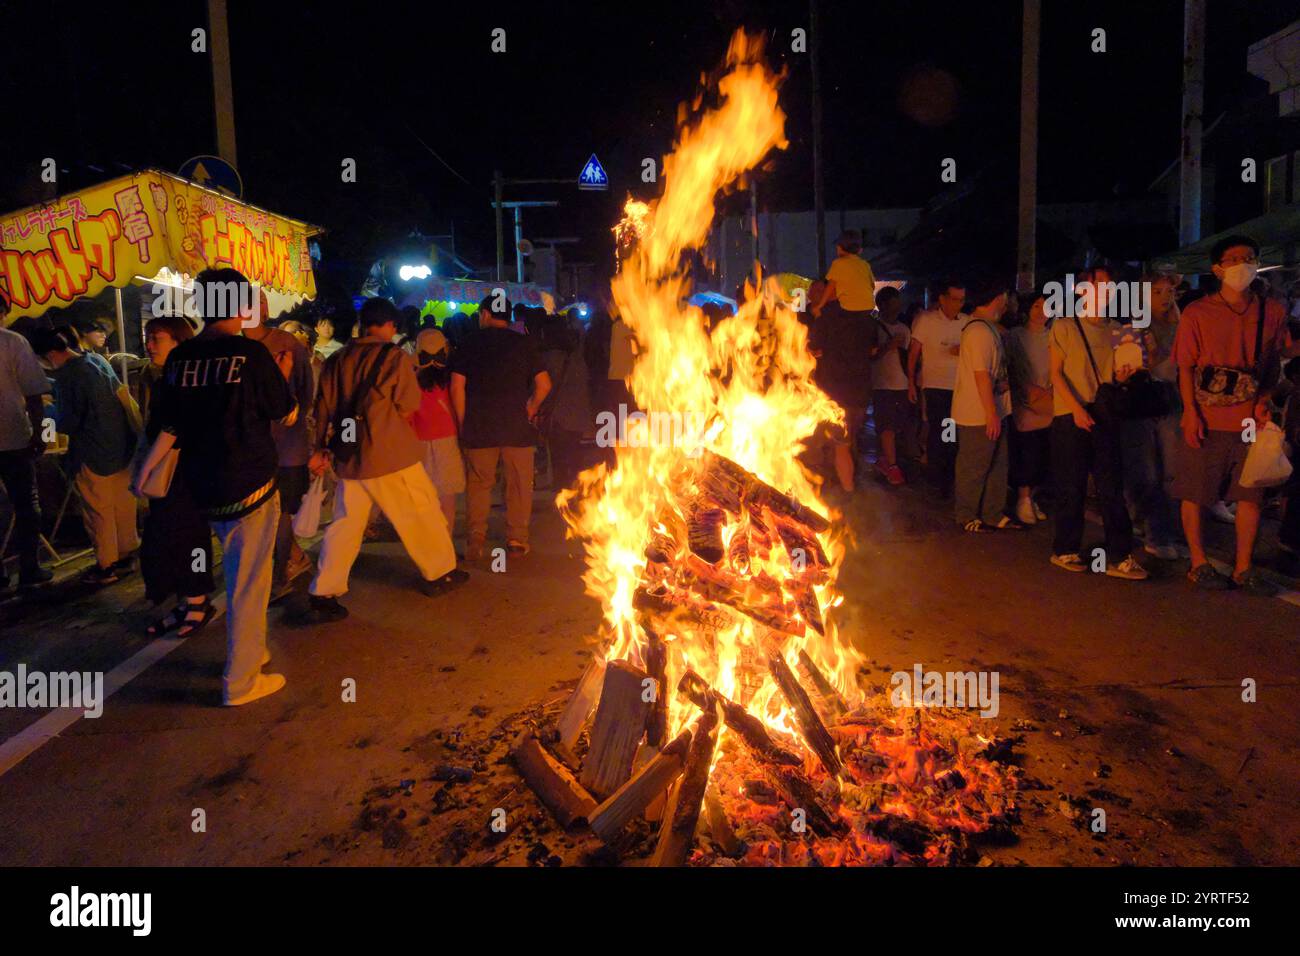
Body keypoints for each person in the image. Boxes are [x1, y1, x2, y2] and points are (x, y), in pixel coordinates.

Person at [143, 268, 295, 705]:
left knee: (236, 574)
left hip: (198, 484)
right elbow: (282, 411)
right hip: (248, 482)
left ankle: (254, 651)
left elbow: (165, 422)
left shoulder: (180, 359)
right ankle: (241, 682)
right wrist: (281, 376)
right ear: (241, 305)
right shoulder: (251, 355)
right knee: (248, 583)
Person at [304, 297, 466, 623]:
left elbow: (323, 408)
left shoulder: (337, 359)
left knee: (346, 525)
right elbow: (408, 403)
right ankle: (439, 573)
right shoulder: (393, 357)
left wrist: (321, 447)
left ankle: (324, 590)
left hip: (350, 456)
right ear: (390, 325)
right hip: (391, 454)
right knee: (421, 513)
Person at [1173, 235, 1295, 594]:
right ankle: (1199, 562)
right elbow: (1185, 368)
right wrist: (1190, 414)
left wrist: (1266, 398)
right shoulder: (1197, 312)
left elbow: (1274, 364)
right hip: (1207, 417)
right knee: (1194, 492)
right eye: (1234, 258)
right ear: (1217, 269)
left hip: (1249, 421)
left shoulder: (1270, 311)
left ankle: (1244, 567)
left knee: (1250, 494)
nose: (1243, 263)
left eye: (1250, 257)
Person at [1047, 264, 1148, 580]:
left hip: (1106, 414)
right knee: (1072, 486)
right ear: (1081, 289)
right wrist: (1076, 408)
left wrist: (1122, 377)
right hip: (1070, 415)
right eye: (1099, 283)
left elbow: (1121, 374)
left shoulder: (1118, 329)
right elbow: (1056, 373)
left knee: (1110, 487)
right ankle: (1066, 549)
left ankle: (1120, 554)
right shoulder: (1063, 325)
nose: (1106, 288)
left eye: (1109, 283)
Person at [32, 328, 140, 586]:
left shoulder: (70, 375)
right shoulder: (97, 360)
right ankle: (126, 555)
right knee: (123, 505)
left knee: (98, 511)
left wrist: (49, 410)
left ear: (50, 355)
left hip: (93, 453)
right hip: (122, 448)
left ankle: (106, 566)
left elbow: (70, 421)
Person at [450, 295, 552, 558]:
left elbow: (457, 387)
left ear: (484, 314)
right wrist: (529, 409)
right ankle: (516, 539)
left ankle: (476, 539)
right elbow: (544, 385)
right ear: (508, 316)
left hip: (479, 425)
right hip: (517, 427)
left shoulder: (468, 342)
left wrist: (463, 422)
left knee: (480, 484)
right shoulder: (524, 344)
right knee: (519, 484)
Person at [136, 315, 216, 636]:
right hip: (172, 471)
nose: (149, 344)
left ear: (180, 342)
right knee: (170, 536)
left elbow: (172, 429)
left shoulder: (182, 378)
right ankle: (187, 601)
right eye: (148, 337)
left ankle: (198, 602)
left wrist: (142, 471)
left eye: (157, 338)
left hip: (185, 472)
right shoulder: (164, 377)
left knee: (189, 536)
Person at [810, 234, 880, 493]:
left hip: (833, 390)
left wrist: (819, 309)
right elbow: (872, 349)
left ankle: (833, 490)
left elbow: (815, 349)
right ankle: (850, 489)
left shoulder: (826, 316)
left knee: (833, 444)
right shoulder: (867, 319)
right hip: (860, 388)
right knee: (848, 442)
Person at [1120, 274, 1181, 559]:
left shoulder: (1180, 325)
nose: (1165, 296)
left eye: (1169, 291)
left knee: (1169, 472)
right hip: (1140, 405)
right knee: (1144, 472)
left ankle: (1160, 532)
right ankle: (1140, 520)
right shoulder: (1134, 326)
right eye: (1157, 291)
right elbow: (1135, 364)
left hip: (1172, 404)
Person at [951, 278, 1020, 532]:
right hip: (978, 414)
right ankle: (966, 515)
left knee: (997, 464)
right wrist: (990, 413)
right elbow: (981, 375)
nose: (1008, 302)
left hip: (993, 410)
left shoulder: (987, 328)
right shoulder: (978, 331)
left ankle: (993, 513)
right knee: (974, 466)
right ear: (997, 298)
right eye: (1005, 297)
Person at [0, 300, 54, 590]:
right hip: (13, 438)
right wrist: (40, 434)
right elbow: (34, 393)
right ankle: (29, 568)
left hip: (14, 438)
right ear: (4, 314)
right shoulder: (12, 342)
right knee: (26, 505)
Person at [908, 280, 968, 498]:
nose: (958, 305)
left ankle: (946, 476)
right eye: (954, 299)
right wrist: (911, 382)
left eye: (961, 300)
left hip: (959, 387)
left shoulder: (966, 322)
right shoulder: (926, 320)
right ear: (942, 299)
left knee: (950, 432)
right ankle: (938, 476)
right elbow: (914, 352)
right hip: (936, 386)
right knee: (940, 430)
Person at [1006, 288, 1054, 525]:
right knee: (1027, 450)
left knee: (1045, 452)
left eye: (1045, 306)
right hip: (1025, 401)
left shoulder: (1055, 335)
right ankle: (1022, 498)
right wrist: (1028, 390)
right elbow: (1012, 369)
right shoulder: (1015, 336)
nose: (1041, 312)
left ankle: (1032, 496)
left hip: (1050, 401)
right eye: (1036, 306)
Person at [411, 327, 465, 531]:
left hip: (419, 442)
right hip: (448, 440)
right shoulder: (451, 378)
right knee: (447, 500)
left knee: (423, 499)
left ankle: (427, 546)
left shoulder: (412, 380)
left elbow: (406, 414)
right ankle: (445, 546)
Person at [539, 313, 592, 491]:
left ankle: (563, 502)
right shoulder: (578, 358)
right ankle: (577, 498)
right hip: (578, 418)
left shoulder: (548, 358)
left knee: (559, 464)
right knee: (574, 461)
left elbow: (543, 388)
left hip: (559, 419)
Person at [870, 287, 910, 486]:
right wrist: (888, 346)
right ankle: (892, 466)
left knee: (898, 425)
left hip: (902, 384)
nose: (898, 306)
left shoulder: (904, 328)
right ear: (882, 304)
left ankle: (886, 460)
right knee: (886, 426)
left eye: (898, 301)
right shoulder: (875, 327)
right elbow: (870, 356)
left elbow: (910, 358)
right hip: (882, 385)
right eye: (894, 302)